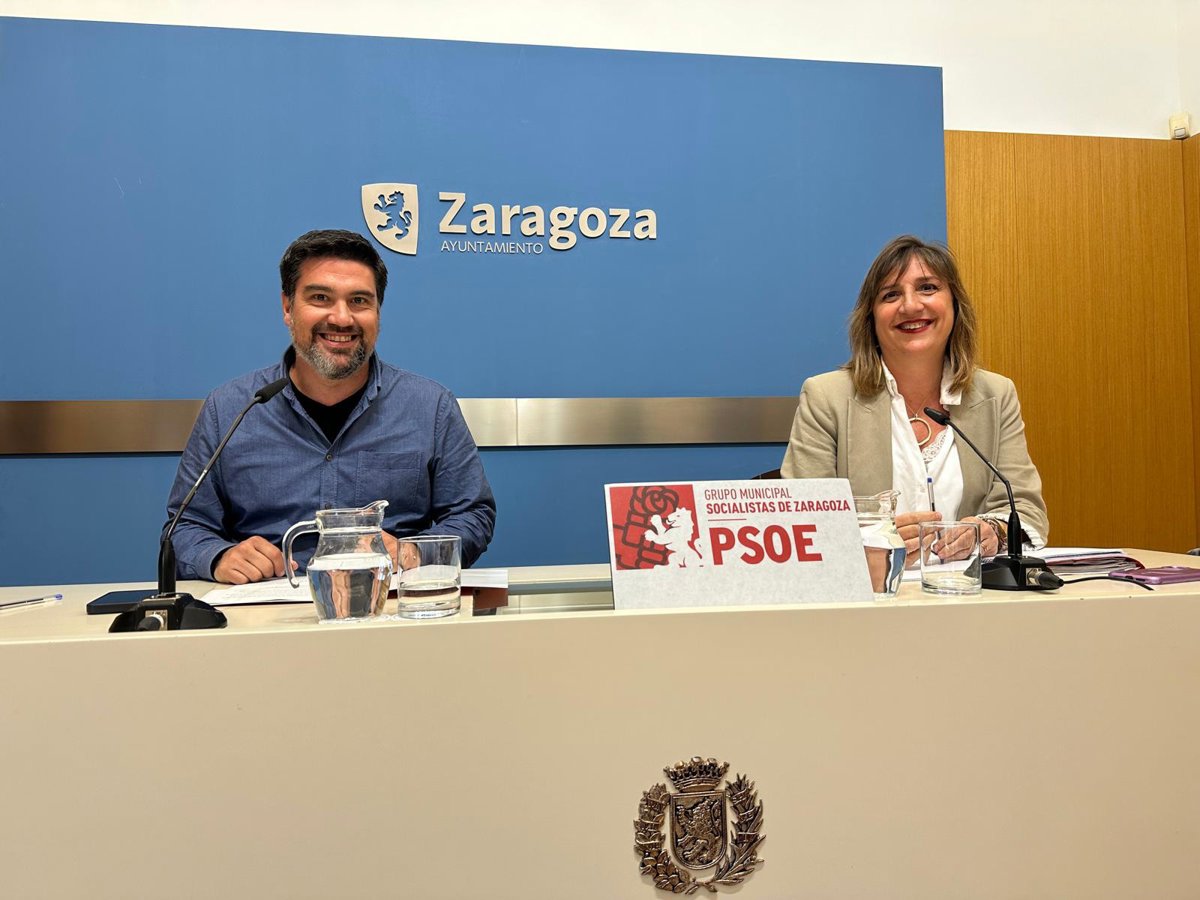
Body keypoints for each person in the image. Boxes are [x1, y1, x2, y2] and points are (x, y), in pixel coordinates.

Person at [165, 229, 496, 583]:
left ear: (378, 312)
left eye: (359, 300)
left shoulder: (430, 407)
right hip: (264, 607)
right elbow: (184, 527)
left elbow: (472, 515)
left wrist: (412, 552)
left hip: (387, 605)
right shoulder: (230, 408)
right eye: (320, 298)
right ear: (288, 308)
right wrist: (217, 557)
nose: (341, 318)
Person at [780, 234, 1048, 562]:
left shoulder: (996, 395)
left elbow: (1025, 509)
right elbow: (801, 522)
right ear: (871, 318)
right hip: (869, 590)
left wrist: (993, 530)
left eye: (928, 288)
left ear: (955, 305)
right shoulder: (827, 398)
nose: (910, 306)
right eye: (891, 294)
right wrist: (872, 544)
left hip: (969, 590)